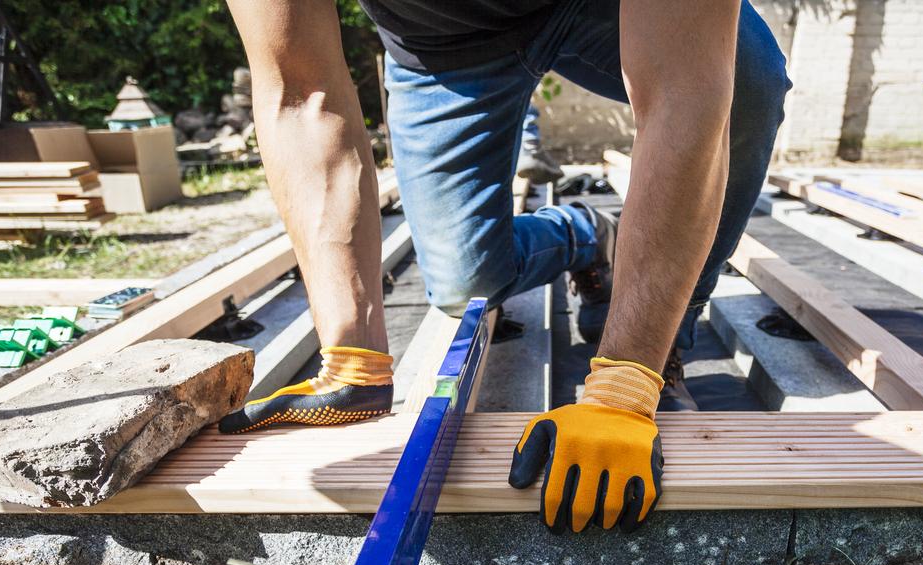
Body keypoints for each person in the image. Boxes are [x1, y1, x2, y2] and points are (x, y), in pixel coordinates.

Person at [220, 0, 790, 533]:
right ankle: (585, 235)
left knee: (745, 84)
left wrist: (623, 385)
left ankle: (665, 343)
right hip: (442, 45)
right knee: (464, 285)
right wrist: (352, 360)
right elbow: (301, 94)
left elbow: (684, 89)